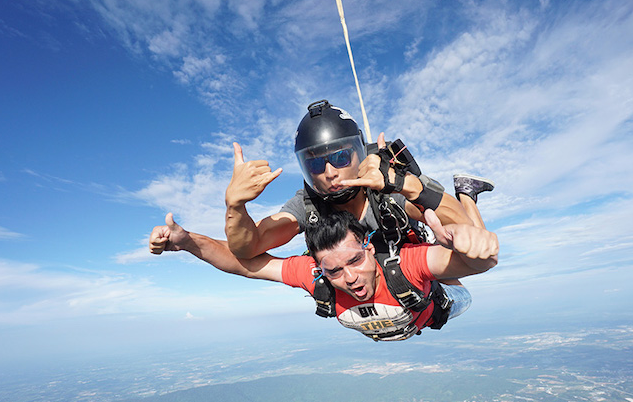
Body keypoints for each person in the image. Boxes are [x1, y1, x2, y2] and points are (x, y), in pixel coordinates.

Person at [149, 208, 498, 341]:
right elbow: (244, 264)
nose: (349, 278)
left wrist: (472, 246)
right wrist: (188, 242)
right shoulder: (314, 274)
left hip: (435, 305)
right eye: (334, 270)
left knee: (461, 295)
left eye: (355, 261)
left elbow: (481, 264)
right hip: (409, 315)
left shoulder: (406, 263)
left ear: (368, 246)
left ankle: (465, 198)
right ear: (320, 267)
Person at [224, 99, 494, 260]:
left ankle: (466, 191)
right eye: (316, 163)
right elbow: (249, 246)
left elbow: (463, 225)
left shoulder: (388, 187)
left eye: (340, 157)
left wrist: (400, 182)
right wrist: (235, 206)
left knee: (462, 266)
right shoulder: (309, 206)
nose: (330, 172)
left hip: (407, 246)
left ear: (359, 153)